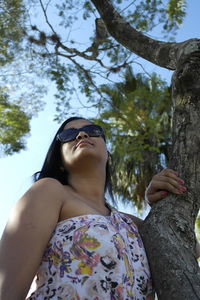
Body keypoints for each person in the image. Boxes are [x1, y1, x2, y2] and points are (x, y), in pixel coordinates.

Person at [0, 117, 192, 300]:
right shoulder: (49, 191)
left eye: (92, 131)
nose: (81, 135)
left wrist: (160, 206)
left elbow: (187, 248)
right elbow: (6, 289)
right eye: (69, 135)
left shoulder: (131, 223)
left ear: (108, 155)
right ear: (59, 160)